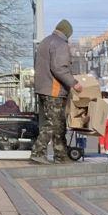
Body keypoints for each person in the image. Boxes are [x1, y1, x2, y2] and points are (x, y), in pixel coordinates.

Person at [30, 19, 75, 164]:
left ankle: (61, 155)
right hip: (54, 89)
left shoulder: (45, 42)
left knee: (59, 123)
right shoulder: (60, 44)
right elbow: (60, 68)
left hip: (43, 88)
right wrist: (74, 83)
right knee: (53, 123)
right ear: (67, 33)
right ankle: (38, 152)